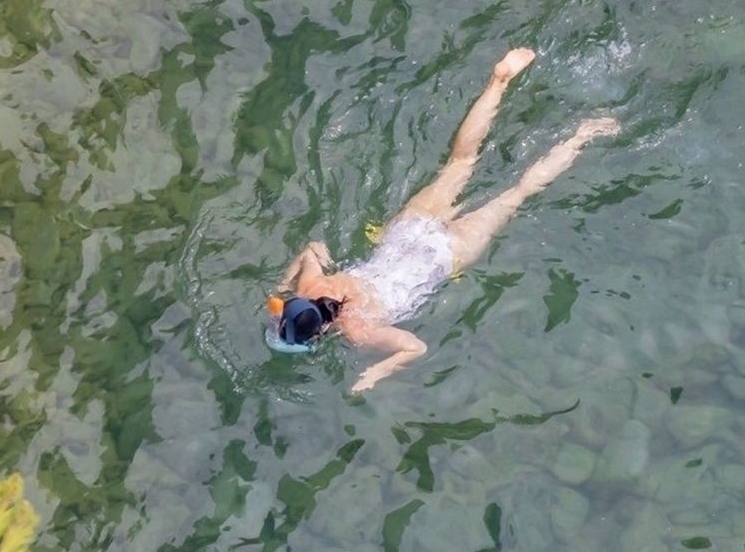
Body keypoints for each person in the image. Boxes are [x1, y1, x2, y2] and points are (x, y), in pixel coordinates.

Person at [265, 47, 618, 393]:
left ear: (319, 334)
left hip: (444, 255)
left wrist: (377, 373)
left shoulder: (359, 332)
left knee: (517, 193)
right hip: (407, 232)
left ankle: (583, 134)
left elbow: (416, 348)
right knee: (460, 163)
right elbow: (314, 249)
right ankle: (498, 82)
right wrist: (283, 284)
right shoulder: (310, 286)